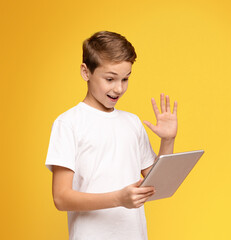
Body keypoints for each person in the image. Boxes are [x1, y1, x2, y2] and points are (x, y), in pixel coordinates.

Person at [45, 31, 178, 240]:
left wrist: (168, 140)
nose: (119, 88)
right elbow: (61, 198)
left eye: (125, 79)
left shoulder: (132, 122)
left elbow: (158, 185)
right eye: (110, 79)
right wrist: (118, 199)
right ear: (85, 72)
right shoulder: (69, 123)